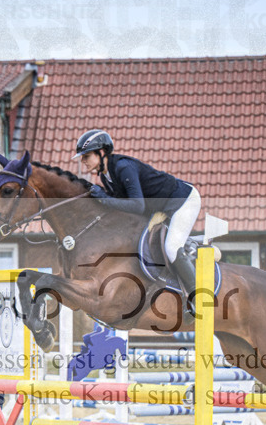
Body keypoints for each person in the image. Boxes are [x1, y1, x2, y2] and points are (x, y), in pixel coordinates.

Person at [73, 129, 201, 305]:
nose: (83, 161)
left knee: (171, 248)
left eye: (86, 156)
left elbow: (137, 206)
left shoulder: (123, 167)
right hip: (159, 208)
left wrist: (104, 199)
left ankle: (198, 297)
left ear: (101, 153)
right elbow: (121, 206)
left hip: (183, 201)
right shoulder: (105, 176)